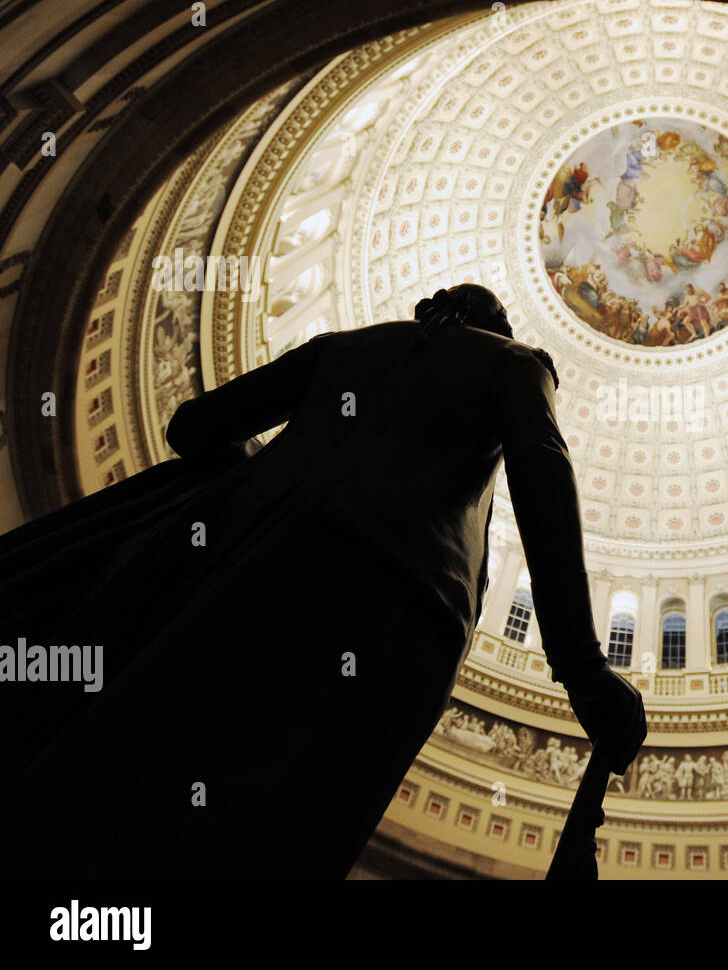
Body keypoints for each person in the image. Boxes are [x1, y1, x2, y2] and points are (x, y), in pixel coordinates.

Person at [0, 283, 645, 879]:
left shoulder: (345, 349)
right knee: (294, 819)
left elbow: (193, 426)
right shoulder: (515, 364)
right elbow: (542, 470)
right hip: (403, 601)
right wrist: (580, 666)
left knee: (151, 747)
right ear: (498, 329)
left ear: (432, 309)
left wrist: (270, 478)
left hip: (253, 552)